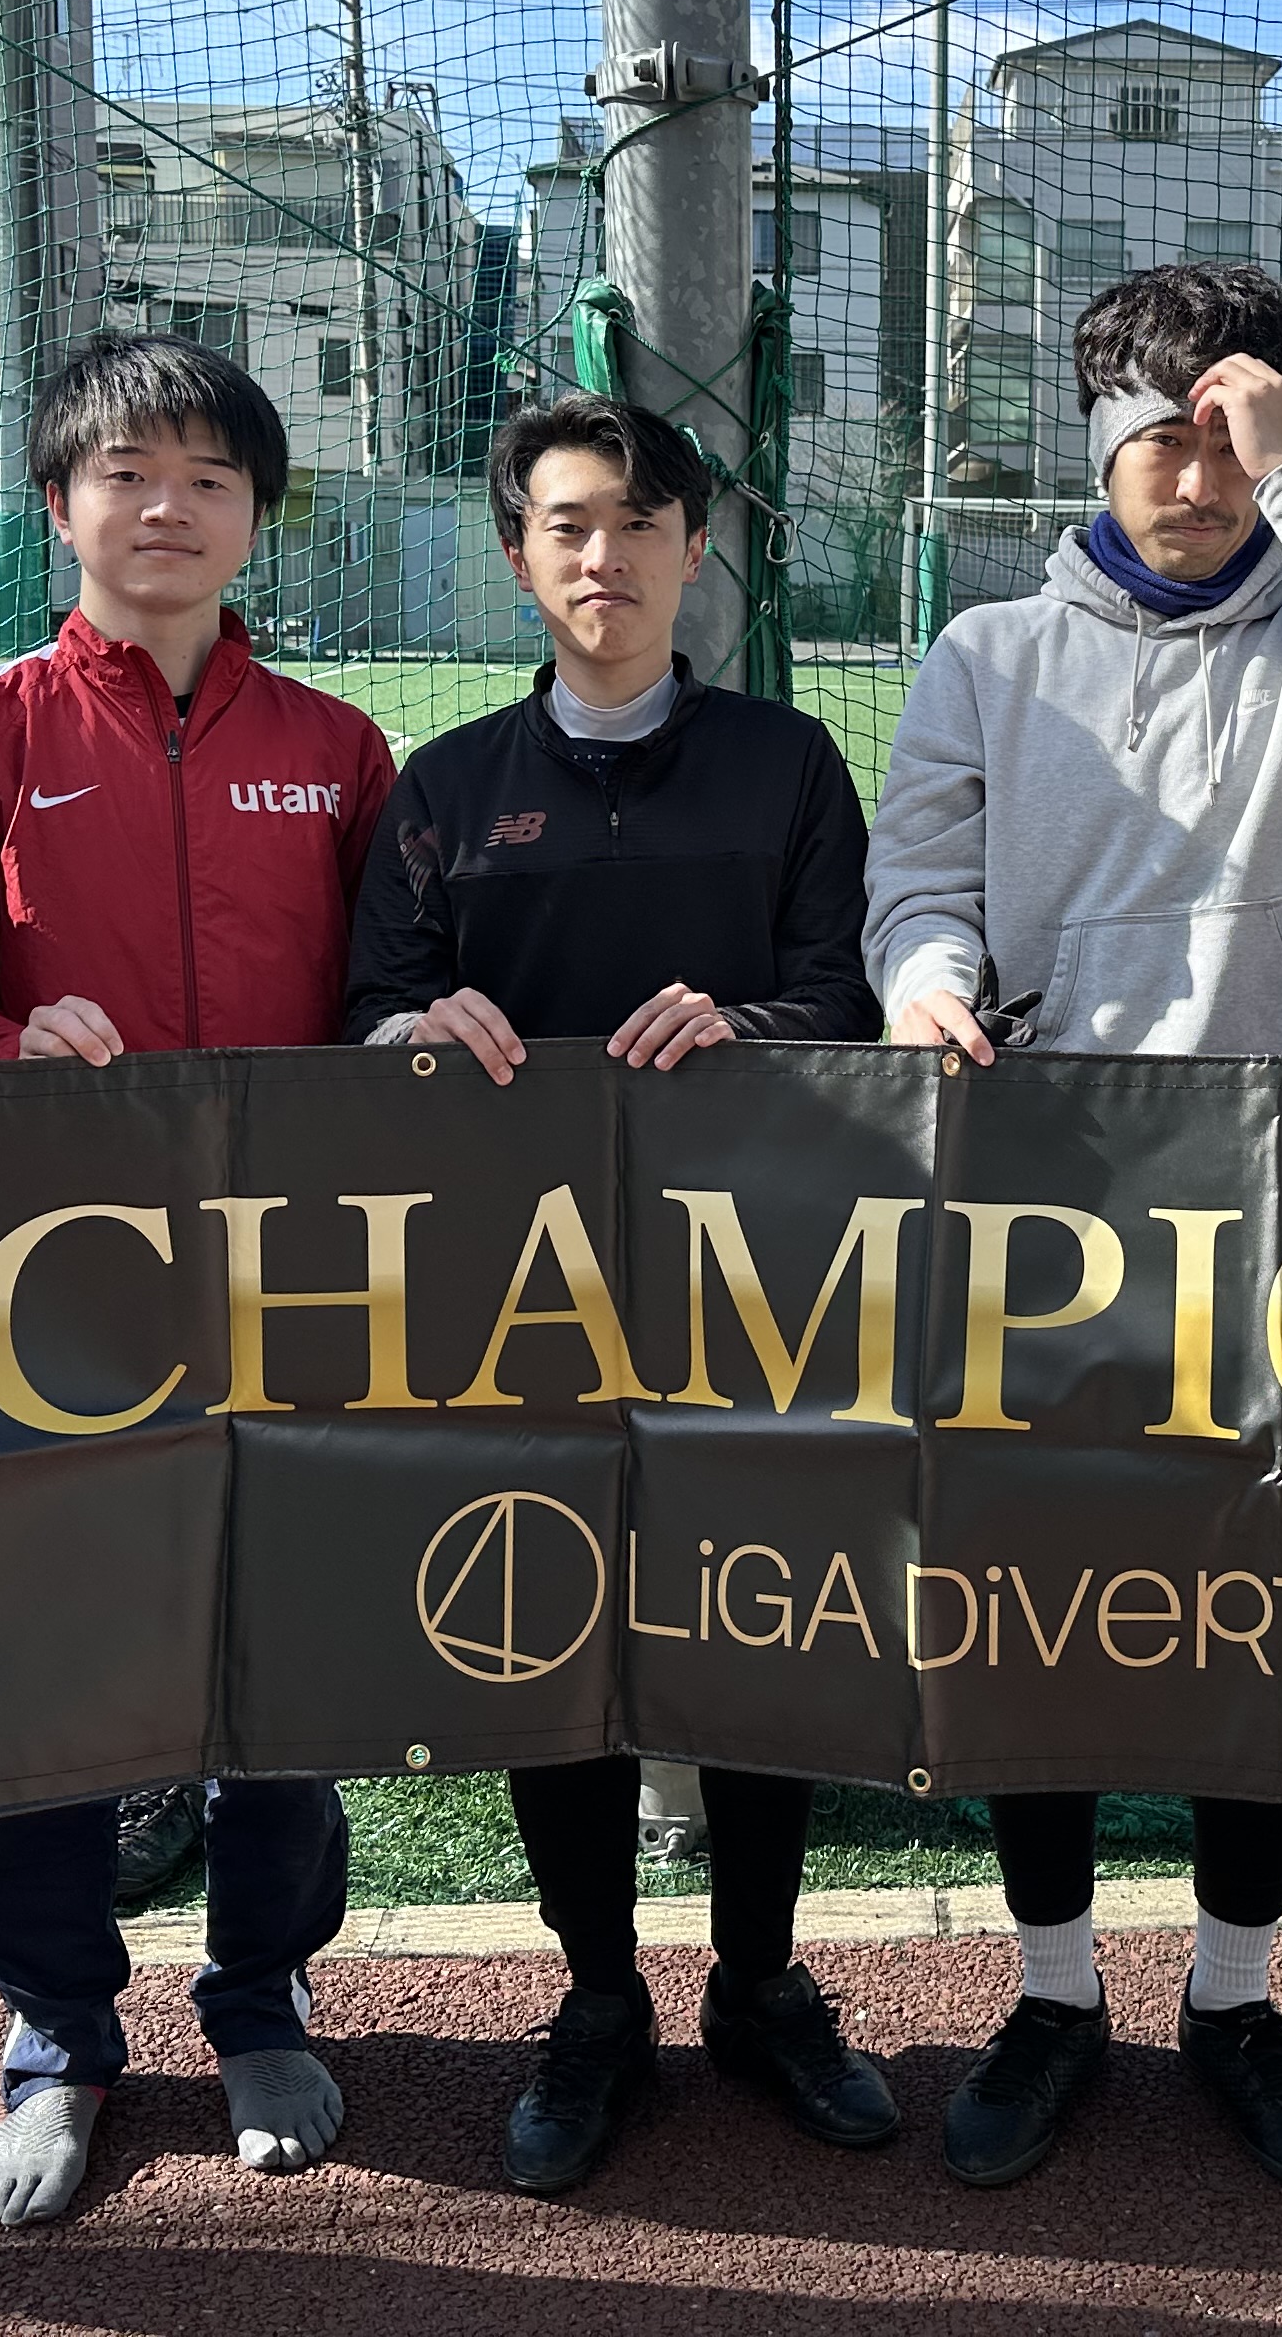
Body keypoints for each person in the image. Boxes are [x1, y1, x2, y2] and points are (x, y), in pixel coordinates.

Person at [865, 259, 1282, 2196]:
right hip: (1051, 1203)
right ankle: (1055, 1995)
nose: (1199, 479)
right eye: (1167, 438)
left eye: (1236, 442)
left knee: (1261, 1617)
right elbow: (917, 882)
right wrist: (928, 980)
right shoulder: (989, 652)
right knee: (1040, 1619)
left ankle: (1235, 1997)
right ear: (1099, 439)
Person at [340, 387, 887, 2195]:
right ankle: (596, 1996)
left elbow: (844, 999)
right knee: (552, 1635)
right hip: (523, 1299)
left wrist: (744, 1023)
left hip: (758, 1287)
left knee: (759, 1634)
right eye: (569, 526)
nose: (606, 556)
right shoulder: (446, 789)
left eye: (642, 523)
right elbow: (369, 1013)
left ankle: (757, 1981)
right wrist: (415, 1029)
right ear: (519, 556)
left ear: (693, 549)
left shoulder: (787, 764)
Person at [0, 330, 396, 2226]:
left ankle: (263, 1995)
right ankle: (55, 2033)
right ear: (58, 506)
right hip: (44, 1301)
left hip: (292, 1288)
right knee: (44, 1674)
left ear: (259, 515)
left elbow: (384, 1003)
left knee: (284, 1668)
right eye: (125, 473)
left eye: (207, 478)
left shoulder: (338, 754)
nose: (166, 507)